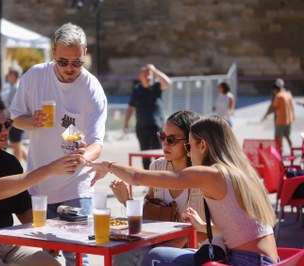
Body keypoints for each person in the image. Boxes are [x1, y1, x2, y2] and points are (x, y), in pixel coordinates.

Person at [89, 116, 278, 265]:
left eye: (189, 146)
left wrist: (107, 165)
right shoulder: (241, 170)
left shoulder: (211, 173)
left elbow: (137, 178)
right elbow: (238, 228)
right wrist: (202, 225)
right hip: (267, 259)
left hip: (246, 261)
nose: (189, 153)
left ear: (202, 145)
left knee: (155, 257)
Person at [9, 22, 107, 265]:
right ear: (53, 53)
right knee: (41, 257)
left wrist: (87, 155)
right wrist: (32, 122)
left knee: (78, 256)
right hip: (38, 186)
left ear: (85, 55)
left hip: (75, 186)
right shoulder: (35, 75)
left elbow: (97, 142)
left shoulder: (92, 87)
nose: (70, 68)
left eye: (77, 62)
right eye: (63, 61)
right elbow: (16, 118)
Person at [0, 97, 84, 266]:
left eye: (6, 124)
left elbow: (24, 210)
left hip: (9, 244)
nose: (5, 131)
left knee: (51, 264)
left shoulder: (10, 162)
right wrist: (48, 170)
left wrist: (45, 239)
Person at [110, 110, 207, 266]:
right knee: (121, 248)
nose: (165, 144)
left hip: (194, 250)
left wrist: (163, 249)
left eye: (172, 140)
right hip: (158, 244)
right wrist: (127, 201)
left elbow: (206, 232)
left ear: (190, 141)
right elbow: (149, 215)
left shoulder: (203, 174)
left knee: (133, 252)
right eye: (163, 137)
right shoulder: (158, 166)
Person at [123, 64, 171, 169]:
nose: (147, 75)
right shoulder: (137, 89)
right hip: (141, 127)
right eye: (144, 73)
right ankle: (148, 181)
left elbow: (167, 83)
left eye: (149, 73)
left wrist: (155, 70)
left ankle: (159, 180)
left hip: (156, 127)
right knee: (144, 156)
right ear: (140, 76)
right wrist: (126, 123)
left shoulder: (156, 87)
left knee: (159, 155)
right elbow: (130, 108)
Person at [0, 64, 28, 162]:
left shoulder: (17, 87)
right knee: (18, 145)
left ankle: (18, 172)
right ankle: (35, 169)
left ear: (13, 74)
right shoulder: (13, 86)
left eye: (9, 72)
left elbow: (16, 108)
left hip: (16, 120)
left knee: (16, 146)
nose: (7, 75)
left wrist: (7, 124)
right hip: (14, 120)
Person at [262, 78, 295, 149]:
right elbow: (292, 107)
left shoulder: (278, 96)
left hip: (280, 120)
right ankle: (292, 149)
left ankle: (279, 152)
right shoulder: (288, 94)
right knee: (287, 135)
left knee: (278, 137)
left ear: (276, 89)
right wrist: (293, 117)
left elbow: (273, 107)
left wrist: (266, 115)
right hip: (288, 119)